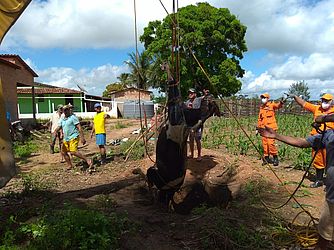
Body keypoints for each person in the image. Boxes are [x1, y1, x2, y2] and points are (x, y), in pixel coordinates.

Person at [259, 114, 334, 250]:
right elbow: (302, 143)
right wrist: (276, 136)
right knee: (325, 234)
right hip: (332, 197)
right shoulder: (329, 135)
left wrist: (322, 119)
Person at [293, 93, 334, 188]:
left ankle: (330, 183)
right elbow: (304, 104)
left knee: (330, 162)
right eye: (323, 100)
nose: (324, 102)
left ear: (332, 102)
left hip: (329, 140)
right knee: (318, 160)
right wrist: (295, 97)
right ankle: (319, 180)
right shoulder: (316, 108)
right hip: (316, 139)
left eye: (327, 101)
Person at [54, 104, 92, 170]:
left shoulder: (73, 117)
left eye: (66, 110)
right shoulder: (63, 119)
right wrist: (55, 131)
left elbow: (79, 127)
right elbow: (59, 127)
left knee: (73, 151)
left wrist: (82, 137)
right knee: (63, 152)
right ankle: (70, 165)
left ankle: (88, 160)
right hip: (66, 138)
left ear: (69, 110)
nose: (65, 111)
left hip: (73, 136)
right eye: (64, 110)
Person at [257, 93, 284, 166]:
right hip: (263, 128)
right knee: (265, 143)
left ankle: (275, 158)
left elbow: (278, 106)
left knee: (270, 143)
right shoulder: (261, 107)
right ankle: (266, 158)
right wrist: (258, 128)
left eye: (264, 97)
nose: (263, 99)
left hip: (271, 128)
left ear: (268, 98)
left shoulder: (271, 105)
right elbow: (260, 119)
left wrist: (281, 103)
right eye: (262, 98)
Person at [185, 88, 203, 161]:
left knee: (197, 139)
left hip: (197, 123)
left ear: (195, 94)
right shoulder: (187, 102)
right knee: (191, 139)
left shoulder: (198, 99)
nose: (190, 94)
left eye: (191, 93)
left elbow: (204, 97)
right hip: (190, 123)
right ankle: (192, 154)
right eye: (189, 93)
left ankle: (199, 155)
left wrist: (206, 93)